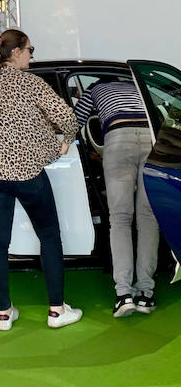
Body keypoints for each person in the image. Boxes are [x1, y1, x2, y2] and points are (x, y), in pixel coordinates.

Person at [0, 29, 82, 331]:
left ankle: (3, 313)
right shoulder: (31, 83)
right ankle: (56, 311)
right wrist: (64, 141)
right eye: (30, 49)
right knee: (49, 237)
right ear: (15, 53)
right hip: (28, 176)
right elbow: (66, 116)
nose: (31, 55)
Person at [74, 79, 159, 317]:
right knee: (148, 217)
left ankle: (124, 295)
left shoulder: (94, 89)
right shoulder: (140, 87)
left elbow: (74, 121)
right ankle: (146, 294)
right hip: (152, 139)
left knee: (120, 219)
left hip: (119, 138)